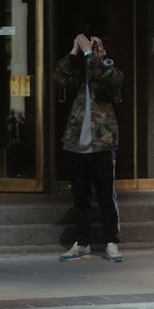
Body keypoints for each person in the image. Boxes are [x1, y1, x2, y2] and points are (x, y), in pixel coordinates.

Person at [55, 26, 124, 261]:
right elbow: (59, 77)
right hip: (76, 144)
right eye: (92, 47)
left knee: (106, 196)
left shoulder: (111, 73)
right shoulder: (79, 77)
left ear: (104, 52)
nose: (94, 50)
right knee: (81, 197)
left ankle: (111, 241)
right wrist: (74, 52)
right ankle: (81, 242)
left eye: (98, 47)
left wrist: (89, 54)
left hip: (102, 145)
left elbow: (104, 76)